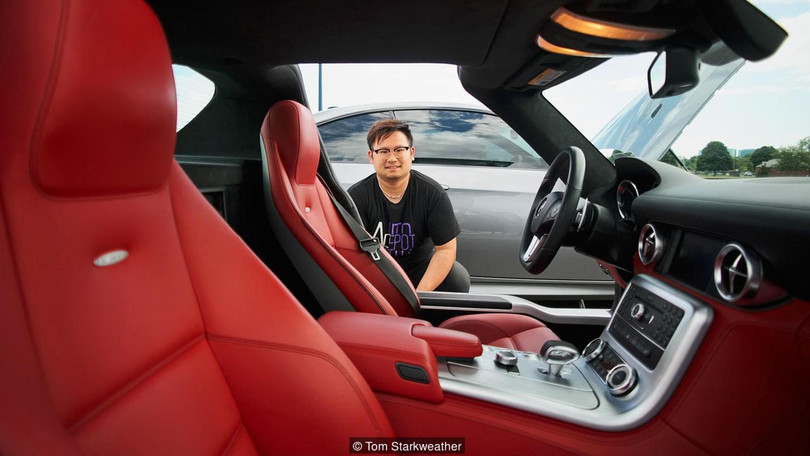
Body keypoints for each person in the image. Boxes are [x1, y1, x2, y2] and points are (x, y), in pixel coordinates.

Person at [348, 119, 470, 292]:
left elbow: (446, 250)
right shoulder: (357, 197)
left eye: (399, 150)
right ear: (371, 156)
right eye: (383, 151)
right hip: (377, 269)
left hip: (420, 268)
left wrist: (421, 295)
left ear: (411, 152)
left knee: (457, 277)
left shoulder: (432, 193)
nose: (392, 158)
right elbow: (350, 253)